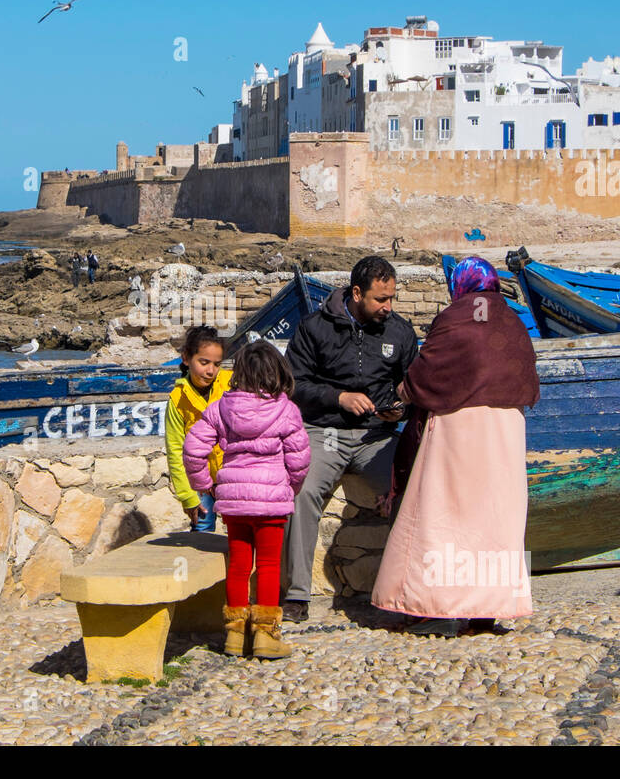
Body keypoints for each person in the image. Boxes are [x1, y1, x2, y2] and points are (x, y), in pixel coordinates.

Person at [371, 257, 540, 636]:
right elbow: (523, 372)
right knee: (496, 519)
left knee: (446, 513)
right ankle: (486, 610)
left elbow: (431, 369)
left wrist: (402, 392)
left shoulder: (455, 316)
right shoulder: (511, 320)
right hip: (506, 429)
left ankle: (440, 608)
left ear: (460, 285)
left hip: (458, 425)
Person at [282, 256, 420, 622]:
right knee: (302, 491)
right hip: (324, 432)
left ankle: (410, 590)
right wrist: (337, 398)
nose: (388, 307)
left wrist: (399, 410)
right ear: (356, 293)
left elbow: (414, 388)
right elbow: (293, 384)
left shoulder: (400, 332)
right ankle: (296, 593)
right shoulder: (314, 328)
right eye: (380, 299)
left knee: (416, 488)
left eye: (391, 298)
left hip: (377, 437)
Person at [183, 341, 310, 658]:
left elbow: (192, 450)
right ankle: (266, 635)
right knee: (268, 566)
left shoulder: (221, 408)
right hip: (271, 503)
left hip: (235, 503)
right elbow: (300, 460)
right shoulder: (285, 410)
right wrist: (289, 488)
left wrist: (205, 485)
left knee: (239, 566)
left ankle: (235, 635)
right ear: (277, 372)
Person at [165, 326, 232, 532]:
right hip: (200, 482)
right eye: (204, 362)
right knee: (201, 534)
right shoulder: (177, 399)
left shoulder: (232, 384)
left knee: (242, 535)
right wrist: (187, 496)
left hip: (235, 474)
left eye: (216, 364)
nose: (210, 370)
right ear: (186, 358)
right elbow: (176, 451)